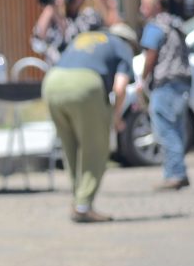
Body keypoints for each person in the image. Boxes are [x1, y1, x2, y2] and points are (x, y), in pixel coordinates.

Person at [41, 24, 137, 223]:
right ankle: (84, 205)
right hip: (85, 86)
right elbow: (120, 89)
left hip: (52, 83)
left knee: (71, 148)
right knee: (95, 148)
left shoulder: (86, 38)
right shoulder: (122, 46)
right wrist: (115, 116)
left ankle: (78, 200)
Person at [138, 0, 193, 190]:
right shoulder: (176, 23)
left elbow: (151, 55)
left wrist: (142, 79)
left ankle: (175, 174)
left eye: (144, 5)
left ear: (155, 6)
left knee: (165, 129)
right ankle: (177, 172)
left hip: (165, 82)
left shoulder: (155, 26)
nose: (141, 9)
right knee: (177, 128)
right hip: (184, 80)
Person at [31, 0, 105, 64]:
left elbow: (72, 40)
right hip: (57, 72)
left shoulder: (91, 15)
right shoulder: (59, 15)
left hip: (81, 69)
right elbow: (37, 42)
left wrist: (57, 16)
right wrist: (50, 8)